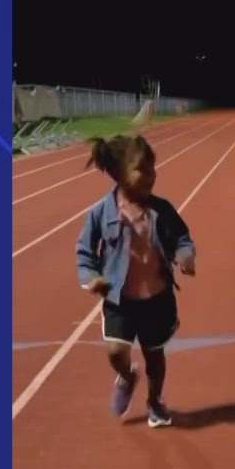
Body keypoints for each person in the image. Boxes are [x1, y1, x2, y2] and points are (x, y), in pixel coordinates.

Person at [75, 133, 197, 426]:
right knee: (116, 351)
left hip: (157, 298)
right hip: (121, 300)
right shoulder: (101, 213)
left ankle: (155, 402)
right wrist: (92, 277)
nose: (152, 176)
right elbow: (84, 251)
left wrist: (185, 255)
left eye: (153, 168)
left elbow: (182, 237)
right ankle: (127, 376)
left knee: (155, 357)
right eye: (143, 169)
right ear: (119, 174)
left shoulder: (162, 210)